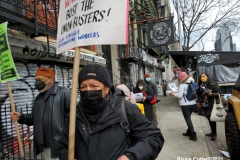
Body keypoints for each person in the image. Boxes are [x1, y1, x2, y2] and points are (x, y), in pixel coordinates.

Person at [58, 64, 164, 160]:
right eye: (83, 87)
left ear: (107, 88)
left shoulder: (124, 109)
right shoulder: (73, 115)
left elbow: (154, 137)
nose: (88, 90)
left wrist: (131, 156)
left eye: (94, 86)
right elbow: (63, 146)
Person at [10, 68, 71, 159]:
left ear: (51, 80)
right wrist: (21, 117)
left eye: (41, 80)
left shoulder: (64, 93)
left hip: (57, 148)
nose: (37, 83)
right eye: (36, 80)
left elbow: (74, 118)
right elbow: (34, 118)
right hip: (40, 147)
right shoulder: (39, 98)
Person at [170, 72, 197, 141]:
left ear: (182, 78)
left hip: (185, 104)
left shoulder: (182, 85)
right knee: (189, 118)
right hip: (193, 103)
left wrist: (173, 94)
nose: (179, 80)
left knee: (187, 119)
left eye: (179, 79)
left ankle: (193, 135)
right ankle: (189, 132)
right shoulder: (192, 83)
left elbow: (180, 96)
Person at [198, 72, 220, 141]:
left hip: (211, 103)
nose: (202, 78)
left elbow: (219, 93)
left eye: (204, 76)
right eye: (201, 77)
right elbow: (200, 93)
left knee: (211, 119)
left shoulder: (212, 83)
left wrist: (211, 94)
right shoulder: (201, 84)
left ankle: (214, 133)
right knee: (208, 118)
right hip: (205, 103)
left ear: (207, 76)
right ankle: (212, 132)